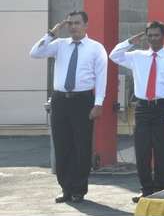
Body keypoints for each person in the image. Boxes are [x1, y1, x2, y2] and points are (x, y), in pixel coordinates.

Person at [29, 10, 107, 204]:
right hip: (60, 100)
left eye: (77, 23)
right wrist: (52, 33)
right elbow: (34, 53)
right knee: (62, 145)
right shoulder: (59, 45)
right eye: (70, 23)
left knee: (81, 146)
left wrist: (98, 104)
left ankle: (79, 189)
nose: (73, 26)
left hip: (83, 101)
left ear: (86, 25)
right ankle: (66, 188)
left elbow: (102, 77)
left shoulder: (96, 48)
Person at [110, 21, 164, 203]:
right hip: (143, 108)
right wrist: (130, 41)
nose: (152, 39)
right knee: (142, 151)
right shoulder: (137, 56)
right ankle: (146, 189)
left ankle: (161, 189)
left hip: (163, 108)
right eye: (149, 35)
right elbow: (114, 55)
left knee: (162, 152)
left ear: (163, 36)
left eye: (156, 35)